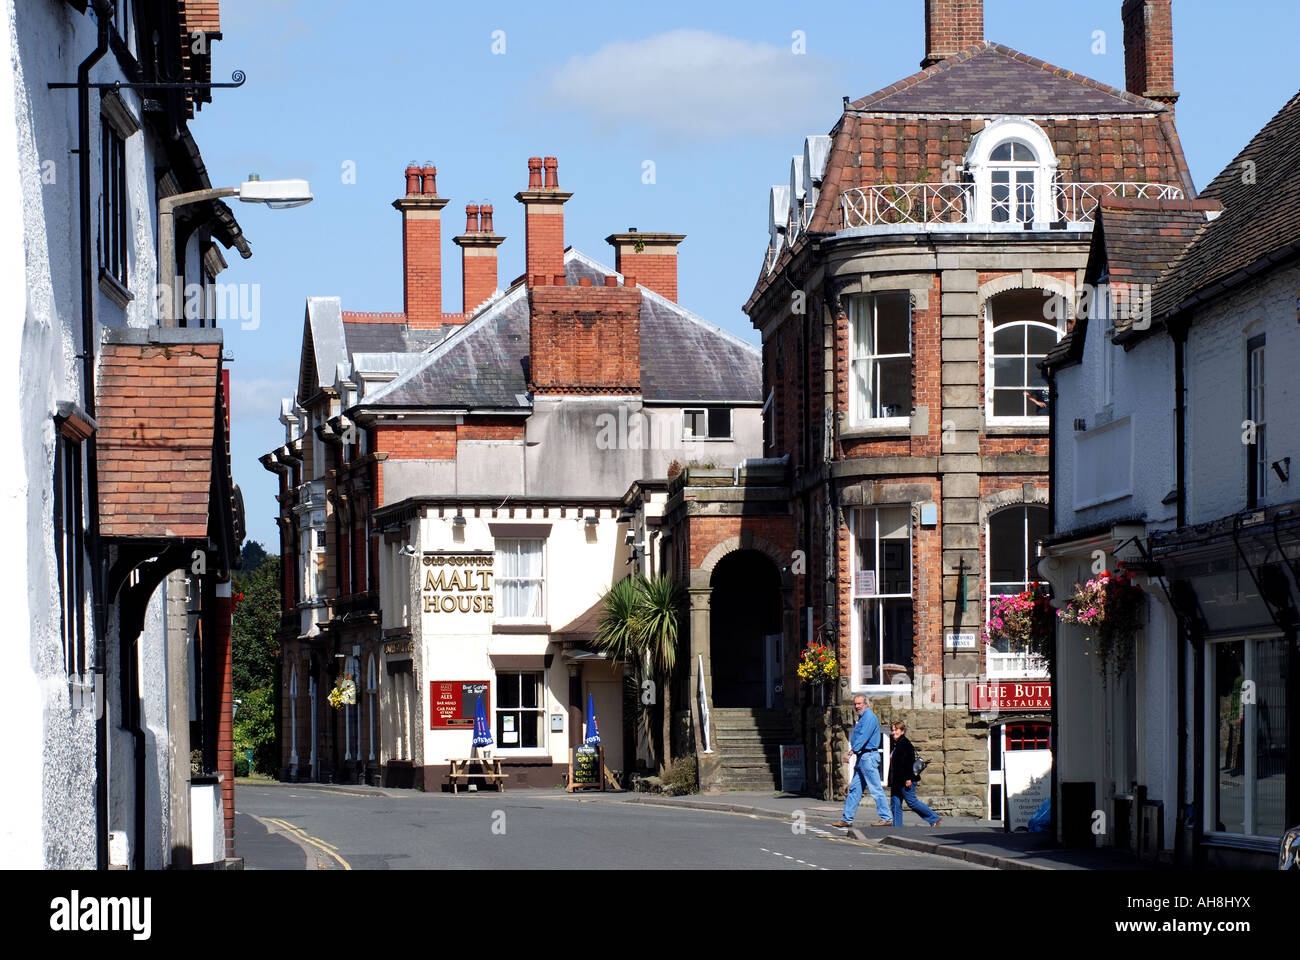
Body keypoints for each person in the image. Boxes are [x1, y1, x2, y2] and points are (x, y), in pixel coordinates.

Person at [833, 694, 892, 828]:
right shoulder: (862, 718)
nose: (857, 706)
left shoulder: (869, 717)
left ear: (866, 704)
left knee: (875, 788)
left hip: (868, 757)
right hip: (862, 758)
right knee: (854, 789)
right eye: (855, 704)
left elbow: (863, 737)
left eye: (859, 704)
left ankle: (886, 817)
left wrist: (851, 752)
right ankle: (847, 819)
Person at [887, 721, 941, 827]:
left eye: (896, 730)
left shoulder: (905, 744)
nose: (893, 732)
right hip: (896, 781)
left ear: (902, 731)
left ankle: (934, 818)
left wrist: (908, 779)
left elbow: (909, 763)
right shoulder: (896, 744)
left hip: (905, 780)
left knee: (912, 802)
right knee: (895, 804)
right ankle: (897, 828)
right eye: (892, 730)